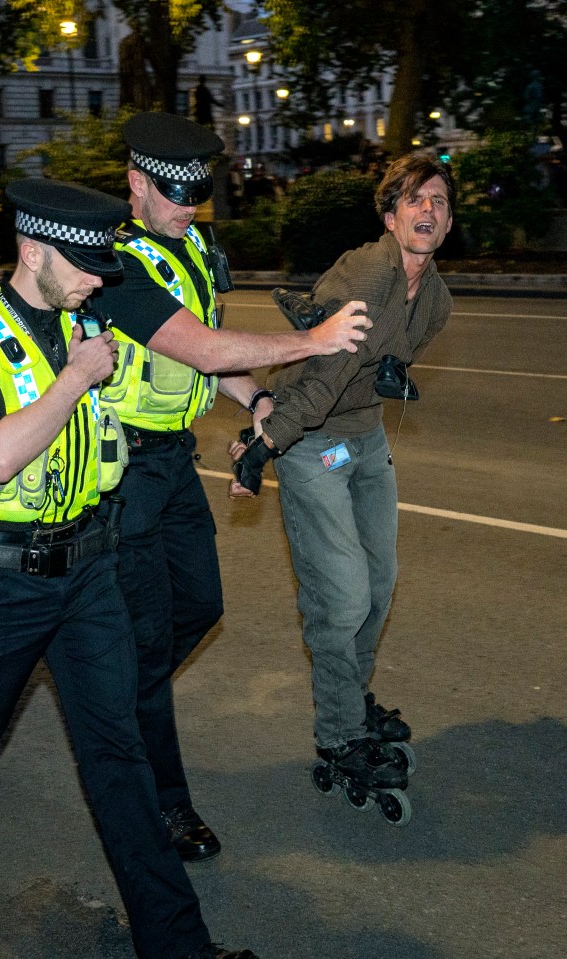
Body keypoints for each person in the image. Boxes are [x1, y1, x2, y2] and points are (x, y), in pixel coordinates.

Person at [0, 176, 259, 959]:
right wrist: (76, 378)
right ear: (31, 249)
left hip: (88, 567)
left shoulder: (88, 312)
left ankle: (178, 948)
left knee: (118, 754)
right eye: (80, 264)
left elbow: (193, 348)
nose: (96, 279)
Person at [92, 111, 372, 862]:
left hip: (173, 463)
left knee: (201, 607)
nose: (188, 206)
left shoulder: (188, 248)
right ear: (134, 184)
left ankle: (115, 681)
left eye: (196, 194)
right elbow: (199, 342)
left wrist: (256, 399)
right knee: (149, 642)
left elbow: (211, 363)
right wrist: (311, 341)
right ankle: (165, 805)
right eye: (173, 193)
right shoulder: (115, 263)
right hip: (120, 472)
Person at [229, 155, 455, 807]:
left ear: (446, 222)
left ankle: (350, 700)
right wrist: (266, 441)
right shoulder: (367, 269)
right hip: (309, 437)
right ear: (390, 217)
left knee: (379, 581)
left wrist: (387, 370)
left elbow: (381, 365)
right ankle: (337, 734)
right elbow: (323, 374)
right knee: (343, 593)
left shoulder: (434, 298)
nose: (425, 211)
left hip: (363, 435)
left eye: (437, 202)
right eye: (412, 201)